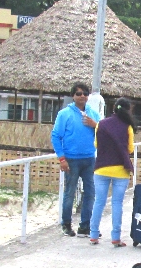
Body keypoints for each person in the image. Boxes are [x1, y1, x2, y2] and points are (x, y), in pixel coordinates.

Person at [51, 83, 100, 237]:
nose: (82, 96)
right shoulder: (64, 114)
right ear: (73, 96)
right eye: (78, 93)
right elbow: (55, 136)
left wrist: (95, 125)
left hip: (89, 159)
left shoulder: (93, 113)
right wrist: (61, 158)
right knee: (70, 193)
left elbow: (103, 133)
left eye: (85, 93)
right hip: (71, 159)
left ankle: (84, 226)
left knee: (90, 193)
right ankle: (66, 224)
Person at [90, 97, 135, 246]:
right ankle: (115, 237)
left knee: (99, 202)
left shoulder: (101, 124)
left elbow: (96, 144)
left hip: (101, 168)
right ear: (128, 110)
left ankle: (94, 235)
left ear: (114, 108)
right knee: (117, 203)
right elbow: (130, 149)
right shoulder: (127, 126)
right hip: (121, 170)